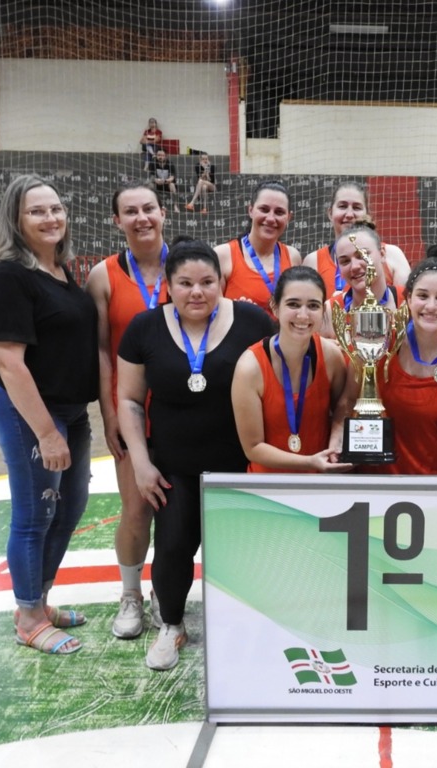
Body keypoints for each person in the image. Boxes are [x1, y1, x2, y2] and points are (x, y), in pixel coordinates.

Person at [116, 238, 274, 670]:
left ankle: (243, 624)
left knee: (241, 552)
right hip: (173, 467)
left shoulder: (252, 320)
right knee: (171, 547)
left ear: (221, 283)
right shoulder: (144, 328)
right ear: (169, 285)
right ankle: (171, 624)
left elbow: (278, 377)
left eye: (207, 282)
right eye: (185, 283)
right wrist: (142, 463)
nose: (197, 292)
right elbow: (129, 400)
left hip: (240, 464)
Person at [0, 174, 98, 654]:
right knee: (33, 516)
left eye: (55, 208)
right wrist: (47, 434)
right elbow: (8, 362)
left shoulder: (63, 272)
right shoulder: (10, 275)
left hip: (71, 412)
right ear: (16, 219)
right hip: (31, 414)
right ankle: (28, 617)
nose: (50, 218)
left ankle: (41, 600)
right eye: (37, 211)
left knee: (68, 510)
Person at [85, 181, 169, 640]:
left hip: (181, 413)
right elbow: (100, 351)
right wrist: (109, 413)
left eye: (149, 208)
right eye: (131, 211)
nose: (142, 218)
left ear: (163, 213)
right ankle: (131, 595)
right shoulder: (103, 275)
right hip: (130, 412)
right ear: (117, 221)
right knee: (135, 510)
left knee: (183, 515)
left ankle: (167, 594)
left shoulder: (192, 267)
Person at [343, 245, 437, 475]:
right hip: (377, 482)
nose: (431, 306)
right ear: (409, 299)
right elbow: (347, 403)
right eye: (423, 296)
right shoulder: (378, 343)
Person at [232, 266, 352, 473]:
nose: (303, 315)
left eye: (313, 306)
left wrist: (336, 440)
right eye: (293, 304)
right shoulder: (250, 367)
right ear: (275, 307)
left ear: (323, 310)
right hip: (265, 492)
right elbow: (252, 448)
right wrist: (309, 462)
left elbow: (343, 408)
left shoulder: (331, 356)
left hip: (319, 485)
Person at [304, 181, 412, 293]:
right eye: (342, 206)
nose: (349, 214)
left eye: (356, 207)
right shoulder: (313, 261)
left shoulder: (392, 254)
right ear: (330, 213)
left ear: (367, 213)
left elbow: (407, 303)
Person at [214, 180, 301, 317]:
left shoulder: (293, 256)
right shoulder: (223, 255)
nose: (271, 218)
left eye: (279, 212)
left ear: (289, 217)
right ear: (251, 210)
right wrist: (238, 314)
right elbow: (214, 316)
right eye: (264, 209)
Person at [320, 222, 402, 340]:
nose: (354, 266)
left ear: (382, 254)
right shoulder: (329, 312)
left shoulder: (409, 303)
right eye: (345, 261)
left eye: (362, 255)